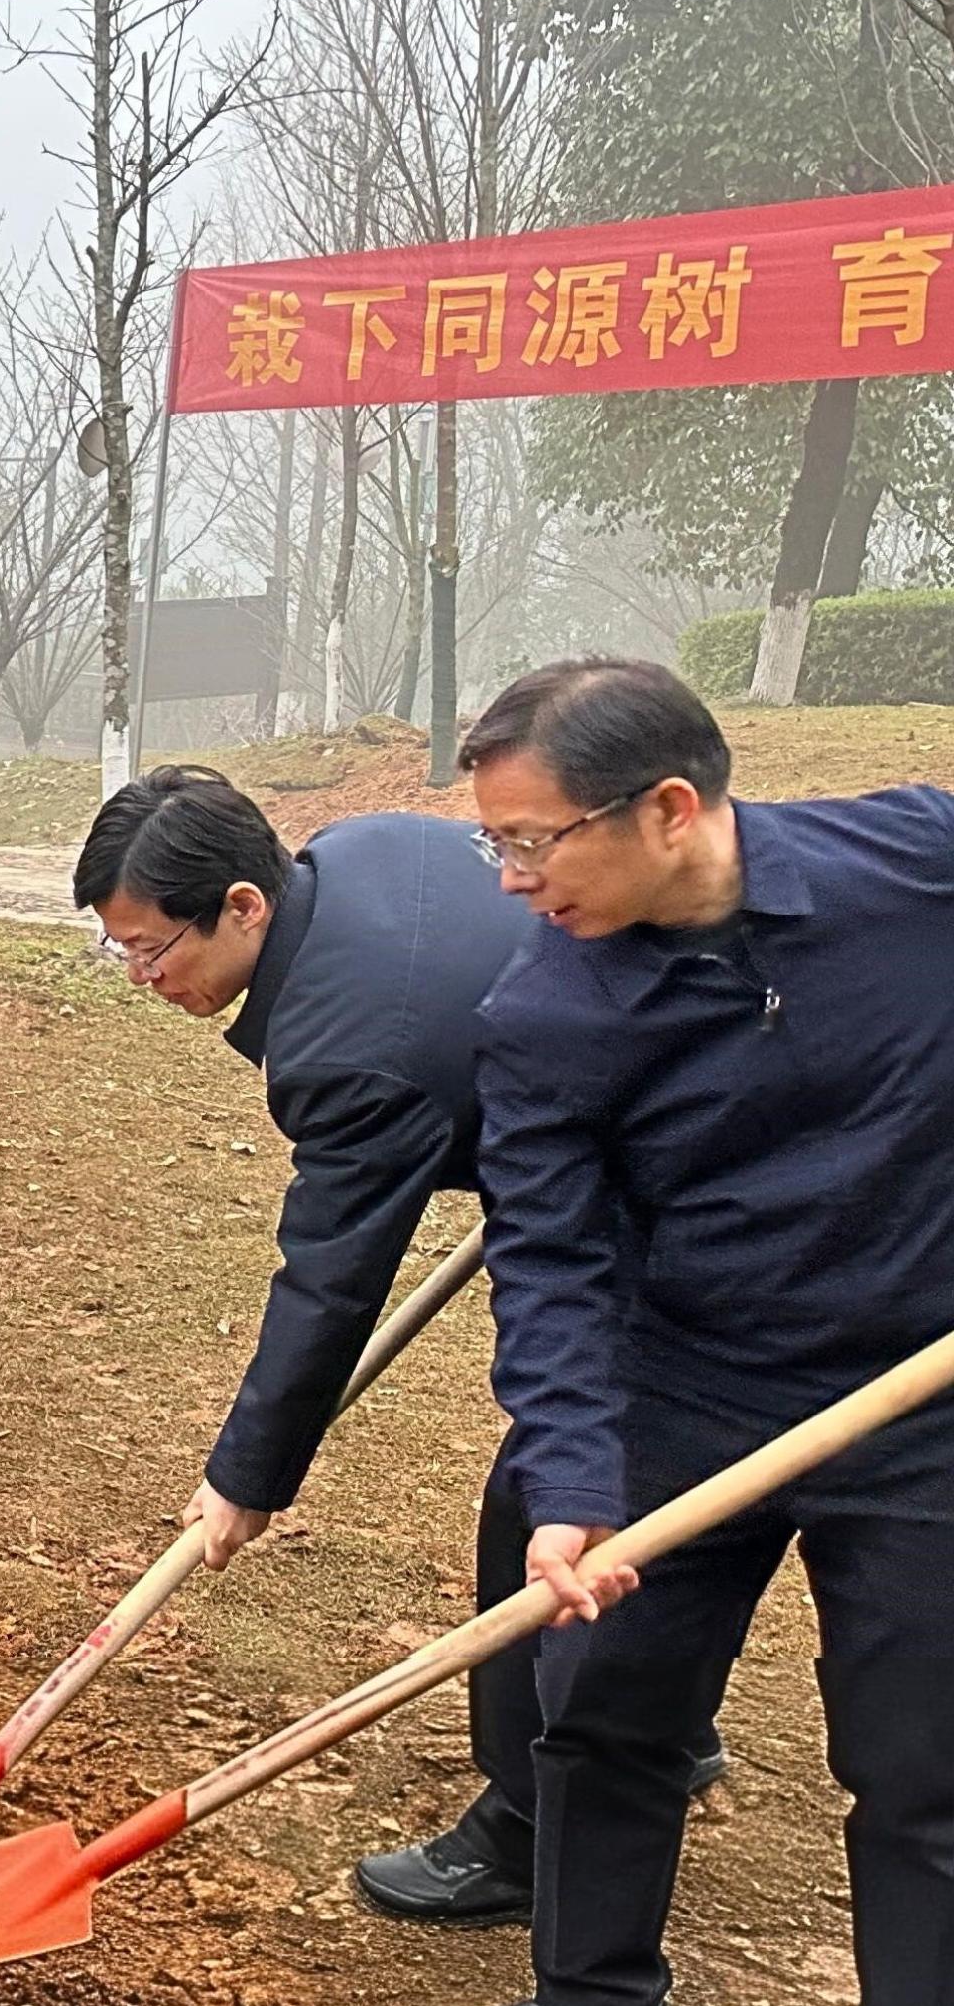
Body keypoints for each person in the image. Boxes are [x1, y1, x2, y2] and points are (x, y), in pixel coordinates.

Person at [381, 660, 954, 2006]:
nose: (513, 880)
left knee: (921, 1762)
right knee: (605, 1707)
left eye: (531, 843)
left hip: (922, 1402)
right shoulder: (550, 1007)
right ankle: (595, 2005)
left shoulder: (916, 863)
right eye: (492, 848)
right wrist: (571, 1485)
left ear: (674, 811)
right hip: (687, 1389)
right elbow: (551, 1265)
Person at [73, 766, 720, 1928]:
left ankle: (526, 1825)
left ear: (242, 906)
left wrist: (243, 1480)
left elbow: (329, 1283)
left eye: (148, 949)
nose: (140, 979)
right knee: (627, 1486)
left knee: (545, 1500)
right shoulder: (356, 849)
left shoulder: (349, 1050)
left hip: (678, 1188)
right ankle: (664, 1727)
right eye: (118, 951)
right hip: (622, 1107)